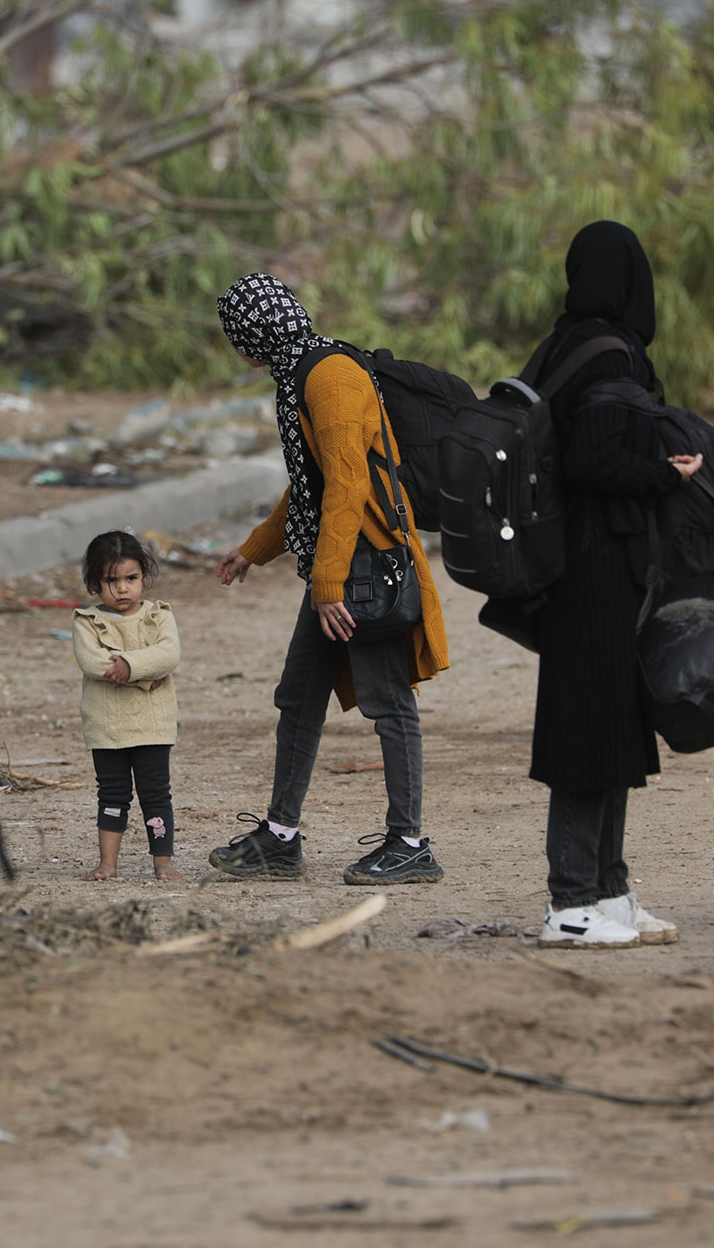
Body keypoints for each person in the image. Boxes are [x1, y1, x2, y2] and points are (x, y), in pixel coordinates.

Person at [208, 272, 450, 885]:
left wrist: (327, 586)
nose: (239, 351)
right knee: (299, 696)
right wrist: (254, 550)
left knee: (388, 701)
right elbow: (311, 484)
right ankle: (280, 837)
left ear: (253, 336)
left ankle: (410, 844)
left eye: (237, 338)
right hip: (338, 569)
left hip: (367, 568)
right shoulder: (299, 373)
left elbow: (348, 485)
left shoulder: (330, 376)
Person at [525, 221, 695, 949]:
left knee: (615, 731)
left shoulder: (564, 345)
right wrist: (666, 474)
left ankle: (610, 892)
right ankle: (570, 902)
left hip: (585, 566)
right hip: (592, 570)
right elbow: (592, 459)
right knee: (588, 736)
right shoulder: (609, 352)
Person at [73, 530, 181, 882]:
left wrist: (128, 666)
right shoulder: (87, 622)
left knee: (156, 794)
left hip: (153, 725)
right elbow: (93, 663)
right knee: (112, 794)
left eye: (131, 578)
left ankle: (163, 862)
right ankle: (108, 863)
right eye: (111, 580)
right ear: (94, 582)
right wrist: (144, 675)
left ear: (143, 577)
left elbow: (168, 655)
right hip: (107, 726)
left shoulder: (159, 616)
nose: (122, 589)